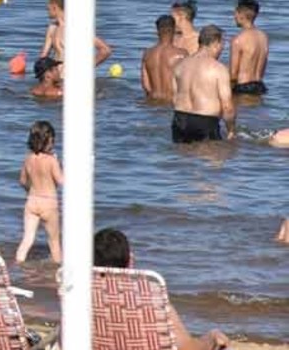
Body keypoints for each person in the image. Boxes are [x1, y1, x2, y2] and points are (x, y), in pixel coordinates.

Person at [93, 229, 229, 350]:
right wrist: (210, 339)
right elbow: (186, 347)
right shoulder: (150, 295)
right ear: (130, 260)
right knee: (218, 338)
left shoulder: (81, 295)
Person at [171, 25, 235, 143]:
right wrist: (231, 130)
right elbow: (227, 107)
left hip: (179, 119)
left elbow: (174, 99)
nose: (222, 50)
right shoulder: (218, 69)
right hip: (205, 121)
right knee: (213, 157)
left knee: (182, 158)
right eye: (222, 46)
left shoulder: (180, 66)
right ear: (215, 43)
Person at [16, 121, 63, 264]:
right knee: (54, 242)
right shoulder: (51, 160)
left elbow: (22, 181)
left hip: (32, 202)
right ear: (49, 141)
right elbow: (61, 181)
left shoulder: (28, 159)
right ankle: (59, 271)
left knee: (27, 239)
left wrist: (29, 191)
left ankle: (18, 264)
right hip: (49, 203)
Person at [40, 0, 113, 65]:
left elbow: (105, 50)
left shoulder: (76, 28)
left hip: (74, 76)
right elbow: (43, 57)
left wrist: (86, 68)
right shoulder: (52, 28)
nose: (47, 7)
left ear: (54, 6)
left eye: (49, 3)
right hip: (57, 76)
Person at [140, 15, 187, 102]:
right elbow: (187, 83)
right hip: (171, 103)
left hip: (152, 103)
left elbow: (146, 86)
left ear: (157, 31)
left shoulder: (147, 54)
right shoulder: (182, 54)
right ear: (174, 30)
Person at [229, 0, 268, 95]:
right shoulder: (263, 37)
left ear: (241, 14)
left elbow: (233, 75)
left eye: (235, 13)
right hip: (260, 86)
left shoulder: (238, 40)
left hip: (243, 87)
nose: (234, 16)